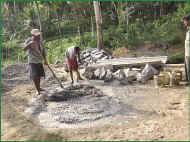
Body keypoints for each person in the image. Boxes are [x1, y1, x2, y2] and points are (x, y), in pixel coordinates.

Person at [23, 29, 48, 95]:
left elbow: (43, 52)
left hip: (39, 60)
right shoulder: (29, 40)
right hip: (32, 61)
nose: (38, 36)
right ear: (33, 35)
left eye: (39, 35)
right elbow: (24, 49)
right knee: (35, 76)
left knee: (39, 75)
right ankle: (37, 90)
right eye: (37, 35)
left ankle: (39, 88)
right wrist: (29, 44)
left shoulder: (40, 42)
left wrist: (45, 60)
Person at [183, 14, 190, 82]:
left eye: (185, 21)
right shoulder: (188, 31)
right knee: (187, 70)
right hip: (187, 54)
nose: (184, 22)